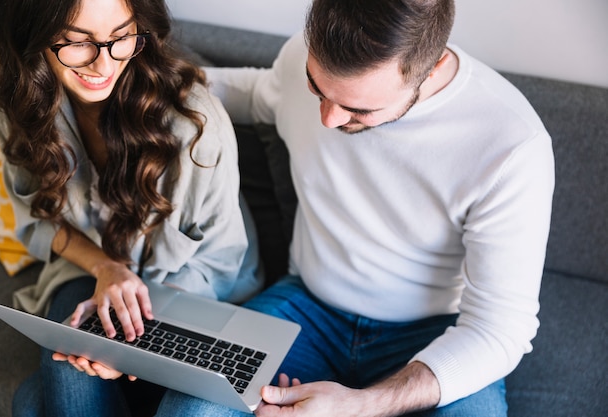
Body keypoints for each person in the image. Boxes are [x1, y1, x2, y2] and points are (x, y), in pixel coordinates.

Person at [153, 0, 555, 416]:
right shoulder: (299, 61)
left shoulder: (510, 145)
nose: (328, 118)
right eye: (316, 87)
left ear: (430, 69)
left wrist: (363, 405)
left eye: (358, 110)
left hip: (434, 335)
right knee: (192, 407)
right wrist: (143, 83)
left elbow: (499, 329)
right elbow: (259, 95)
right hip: (303, 307)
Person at [0, 0, 261, 415]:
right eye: (77, 43)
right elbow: (39, 220)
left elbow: (219, 265)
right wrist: (107, 269)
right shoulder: (19, 102)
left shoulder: (196, 126)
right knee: (63, 370)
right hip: (87, 269)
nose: (103, 65)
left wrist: (136, 332)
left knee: (32, 402)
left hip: (192, 294)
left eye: (121, 36)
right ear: (32, 35)